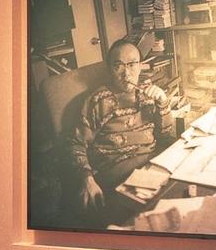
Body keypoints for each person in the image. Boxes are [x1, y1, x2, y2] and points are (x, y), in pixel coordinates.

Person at [67, 39, 174, 222]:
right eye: (118, 66)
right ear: (110, 69)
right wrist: (87, 179)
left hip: (152, 167)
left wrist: (163, 103)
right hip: (117, 176)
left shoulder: (149, 93)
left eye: (132, 64)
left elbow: (166, 135)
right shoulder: (97, 101)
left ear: (140, 66)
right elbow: (75, 144)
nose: (126, 73)